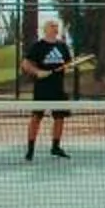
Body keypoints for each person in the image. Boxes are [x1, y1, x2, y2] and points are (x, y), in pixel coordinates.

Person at [20, 15, 75, 161]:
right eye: (52, 26)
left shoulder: (62, 46)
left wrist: (67, 67)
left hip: (58, 88)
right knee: (36, 117)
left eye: (56, 26)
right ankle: (30, 149)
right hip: (42, 88)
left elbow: (68, 64)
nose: (55, 28)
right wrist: (38, 72)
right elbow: (25, 64)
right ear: (45, 29)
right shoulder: (38, 46)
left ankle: (56, 147)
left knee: (60, 118)